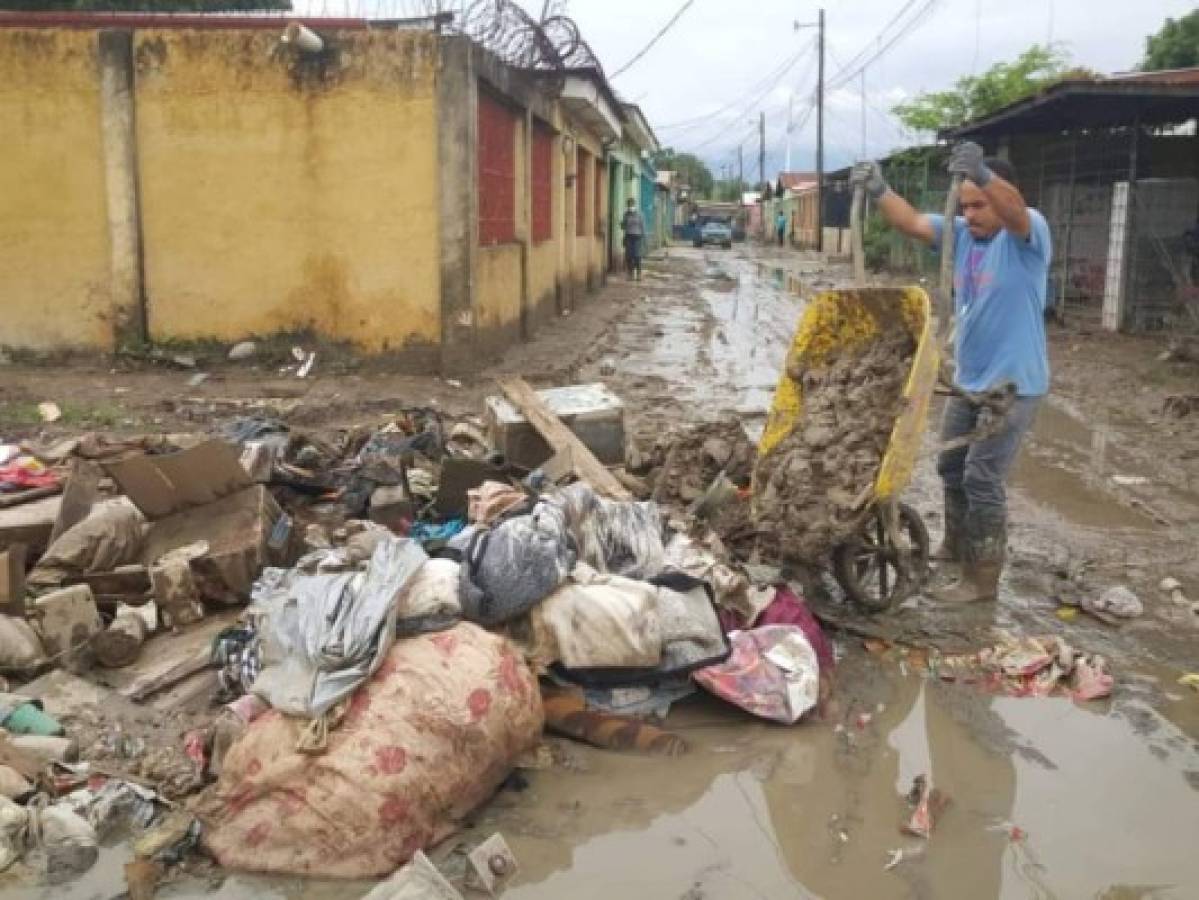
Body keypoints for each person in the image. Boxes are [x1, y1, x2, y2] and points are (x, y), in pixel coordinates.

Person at [850, 143, 1051, 604]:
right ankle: (955, 547)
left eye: (980, 204)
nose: (971, 214)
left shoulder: (1026, 237)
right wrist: (879, 189)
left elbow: (1016, 212)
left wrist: (981, 172)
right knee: (950, 466)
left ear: (1001, 195)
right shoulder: (961, 237)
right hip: (970, 380)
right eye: (965, 206)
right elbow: (911, 222)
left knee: (983, 476)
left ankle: (982, 579)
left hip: (1013, 386)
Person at [621, 198, 645, 280]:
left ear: (634, 205)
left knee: (637, 256)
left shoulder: (640, 214)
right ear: (627, 205)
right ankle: (630, 274)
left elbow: (642, 226)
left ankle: (639, 274)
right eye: (629, 204)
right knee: (629, 256)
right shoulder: (626, 214)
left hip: (637, 237)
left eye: (632, 204)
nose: (630, 206)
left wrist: (644, 238)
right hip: (628, 236)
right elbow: (623, 227)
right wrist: (622, 223)